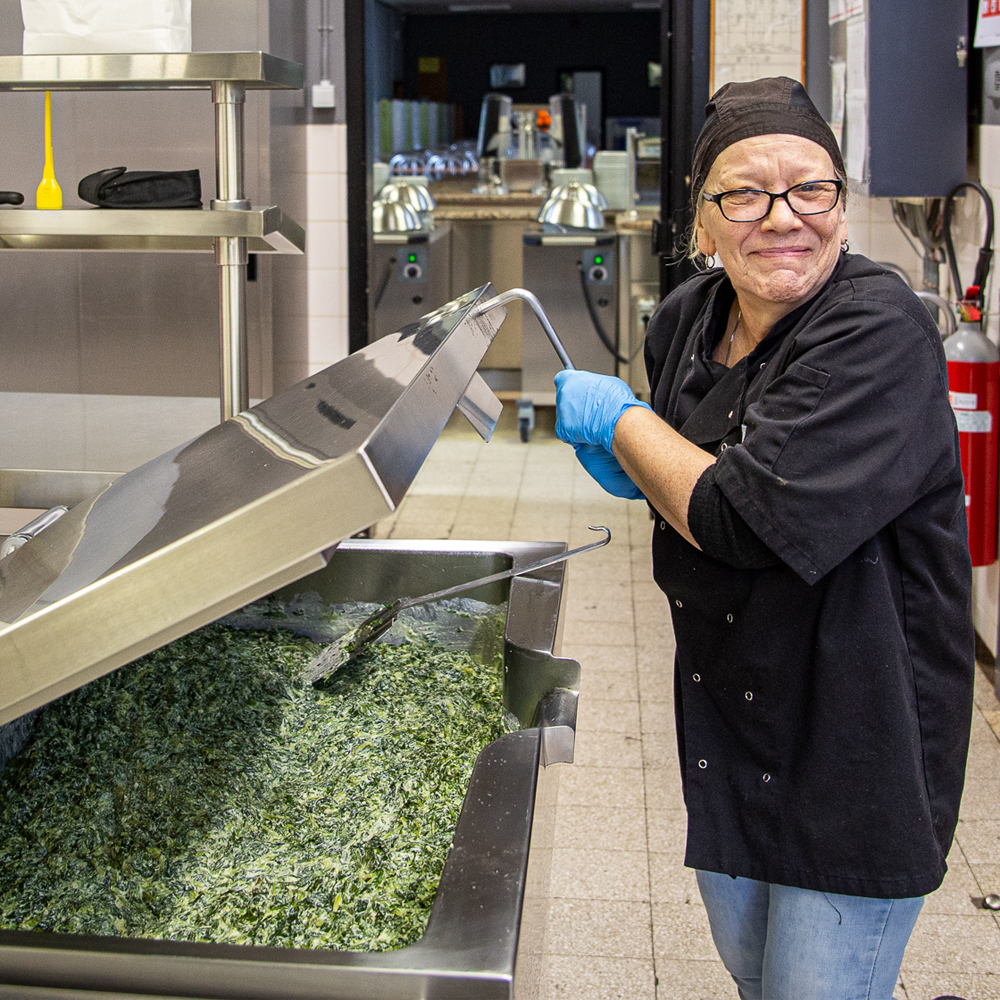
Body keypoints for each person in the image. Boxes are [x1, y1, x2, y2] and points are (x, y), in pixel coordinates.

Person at [554, 77, 974, 1000]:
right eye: (744, 194)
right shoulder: (687, 319)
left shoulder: (879, 332)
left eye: (811, 188)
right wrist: (648, 465)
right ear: (702, 224)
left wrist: (626, 426)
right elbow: (688, 481)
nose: (784, 217)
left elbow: (741, 518)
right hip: (732, 715)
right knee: (753, 974)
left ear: (841, 206)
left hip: (856, 731)